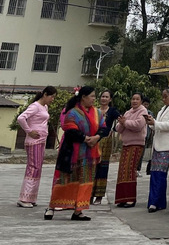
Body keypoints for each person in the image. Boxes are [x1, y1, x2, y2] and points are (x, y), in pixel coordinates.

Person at [45, 85, 100, 221]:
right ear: (83, 97)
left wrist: (96, 137)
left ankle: (78, 211)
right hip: (71, 153)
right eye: (92, 96)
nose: (94, 99)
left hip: (89, 154)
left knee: (85, 181)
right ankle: (51, 207)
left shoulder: (97, 113)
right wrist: (86, 139)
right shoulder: (72, 113)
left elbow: (104, 128)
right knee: (64, 180)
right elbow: (70, 130)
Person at [16, 85, 57, 207]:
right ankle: (24, 198)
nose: (52, 99)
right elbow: (21, 118)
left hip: (41, 140)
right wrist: (29, 131)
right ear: (45, 94)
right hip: (34, 141)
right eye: (52, 97)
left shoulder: (44, 107)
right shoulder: (35, 106)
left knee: (37, 168)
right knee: (33, 167)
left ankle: (31, 197)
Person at [146, 85, 169, 212]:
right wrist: (152, 123)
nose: (163, 99)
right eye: (162, 97)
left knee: (160, 174)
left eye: (166, 97)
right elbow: (158, 125)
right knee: (155, 173)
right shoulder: (163, 109)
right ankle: (158, 202)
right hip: (158, 144)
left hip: (166, 145)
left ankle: (155, 202)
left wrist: (155, 123)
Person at [114, 92, 148, 207]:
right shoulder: (128, 112)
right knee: (122, 171)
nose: (134, 101)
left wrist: (125, 122)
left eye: (137, 99)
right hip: (126, 144)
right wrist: (122, 123)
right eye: (133, 99)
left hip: (136, 144)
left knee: (130, 170)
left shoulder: (143, 111)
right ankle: (122, 198)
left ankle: (130, 199)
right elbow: (118, 128)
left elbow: (138, 125)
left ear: (141, 101)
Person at [91, 89, 120, 204]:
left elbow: (121, 121)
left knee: (102, 166)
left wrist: (113, 130)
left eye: (106, 97)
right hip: (94, 139)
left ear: (110, 99)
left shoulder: (113, 111)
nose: (104, 99)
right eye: (102, 96)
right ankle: (89, 194)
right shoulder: (94, 110)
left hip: (106, 140)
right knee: (92, 166)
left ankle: (99, 195)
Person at [137, 95, 154, 177]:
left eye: (147, 104)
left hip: (146, 136)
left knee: (141, 153)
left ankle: (138, 169)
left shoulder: (150, 113)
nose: (146, 106)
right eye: (144, 104)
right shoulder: (137, 112)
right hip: (138, 136)